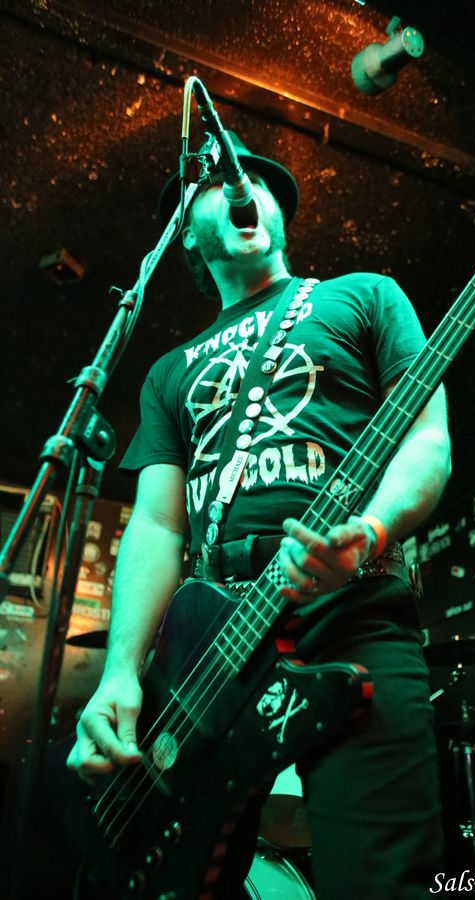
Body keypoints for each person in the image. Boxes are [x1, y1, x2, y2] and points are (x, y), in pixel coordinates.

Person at [66, 132, 452, 899]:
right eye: (219, 181)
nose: (245, 187)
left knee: (380, 879)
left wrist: (371, 531)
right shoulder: (168, 372)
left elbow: (428, 441)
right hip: (215, 643)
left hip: (352, 608)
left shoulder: (363, 295)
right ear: (185, 229)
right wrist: (120, 674)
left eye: (260, 181)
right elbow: (157, 527)